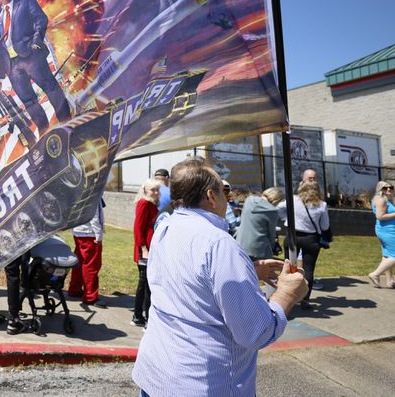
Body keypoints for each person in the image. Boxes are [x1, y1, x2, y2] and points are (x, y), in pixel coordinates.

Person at [133, 158, 308, 396]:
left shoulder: (166, 227)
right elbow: (254, 331)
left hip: (155, 376)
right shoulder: (219, 244)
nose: (227, 197)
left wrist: (245, 272)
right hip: (201, 384)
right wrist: (287, 293)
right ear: (211, 196)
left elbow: (183, 278)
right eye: (224, 191)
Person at [0, 0, 71, 134]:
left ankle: (68, 123)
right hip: (13, 67)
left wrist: (35, 42)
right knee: (29, 102)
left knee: (51, 87)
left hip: (31, 56)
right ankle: (45, 131)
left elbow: (41, 20)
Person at [293, 180, 330, 308]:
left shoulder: (293, 200)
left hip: (293, 235)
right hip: (311, 238)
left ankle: (288, 295)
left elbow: (281, 211)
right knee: (309, 269)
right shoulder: (322, 205)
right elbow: (325, 226)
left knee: (290, 267)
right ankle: (305, 299)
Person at [367, 181, 395, 289]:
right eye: (385, 188)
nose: (388, 189)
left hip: (386, 230)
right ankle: (375, 274)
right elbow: (380, 216)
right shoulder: (381, 200)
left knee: (387, 255)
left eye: (390, 187)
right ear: (380, 189)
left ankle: (390, 281)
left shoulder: (383, 199)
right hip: (387, 231)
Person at [67, 200, 106, 307]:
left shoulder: (80, 190)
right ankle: (90, 296)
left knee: (79, 262)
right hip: (90, 233)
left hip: (79, 231)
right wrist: (98, 235)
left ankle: (74, 289)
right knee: (91, 265)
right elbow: (93, 216)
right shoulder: (94, 194)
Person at [132, 179, 159, 327]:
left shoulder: (151, 204)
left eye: (157, 190)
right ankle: (141, 316)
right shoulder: (144, 204)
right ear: (145, 191)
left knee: (145, 285)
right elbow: (138, 228)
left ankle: (138, 315)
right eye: (152, 190)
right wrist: (143, 249)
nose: (156, 192)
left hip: (149, 249)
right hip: (145, 251)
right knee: (145, 286)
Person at [235, 187, 285, 260]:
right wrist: (273, 247)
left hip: (240, 243)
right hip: (260, 249)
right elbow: (271, 234)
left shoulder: (249, 200)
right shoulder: (272, 211)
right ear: (276, 200)